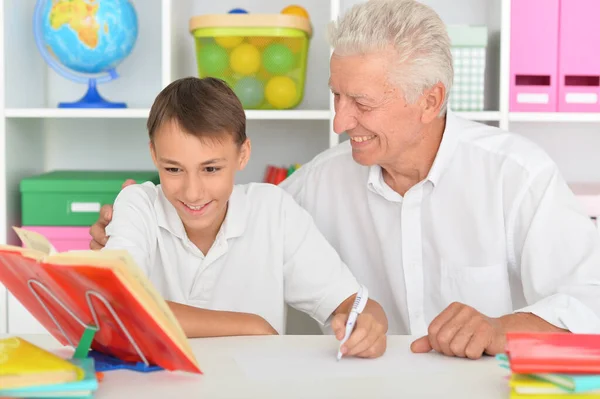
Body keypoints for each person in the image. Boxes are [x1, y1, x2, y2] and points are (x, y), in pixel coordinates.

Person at [91, 0, 600, 360]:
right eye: (337, 96)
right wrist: (119, 235)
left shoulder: (516, 175)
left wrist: (498, 329)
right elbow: (229, 218)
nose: (339, 122)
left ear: (430, 100)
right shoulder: (321, 181)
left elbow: (591, 298)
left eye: (362, 103)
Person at [99, 76, 388, 359]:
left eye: (211, 169)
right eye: (174, 170)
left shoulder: (273, 210)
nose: (193, 192)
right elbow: (116, 305)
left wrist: (368, 326)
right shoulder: (137, 204)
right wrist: (250, 325)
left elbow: (353, 304)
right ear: (154, 155)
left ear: (242, 154)